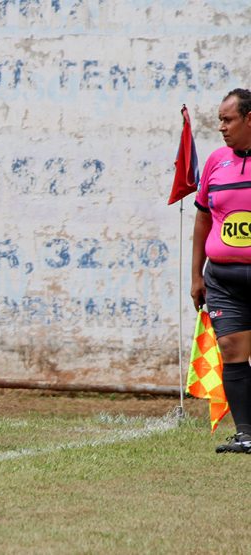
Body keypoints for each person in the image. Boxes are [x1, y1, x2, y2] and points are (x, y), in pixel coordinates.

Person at [191, 88, 251, 454]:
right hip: (224, 279)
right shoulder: (216, 162)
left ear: (250, 119)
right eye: (219, 120)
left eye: (228, 120)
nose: (221, 128)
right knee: (231, 348)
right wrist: (196, 275)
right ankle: (246, 433)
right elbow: (202, 220)